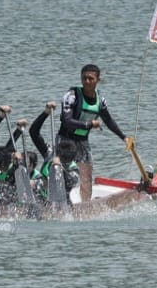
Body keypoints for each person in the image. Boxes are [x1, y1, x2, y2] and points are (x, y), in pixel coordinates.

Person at [55, 64, 129, 202]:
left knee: (86, 177)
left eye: (90, 78)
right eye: (84, 78)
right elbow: (67, 121)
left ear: (98, 80)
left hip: (82, 142)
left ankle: (85, 206)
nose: (87, 82)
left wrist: (124, 137)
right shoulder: (71, 96)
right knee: (64, 175)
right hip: (65, 141)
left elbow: (109, 121)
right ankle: (61, 202)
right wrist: (88, 124)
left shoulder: (100, 100)